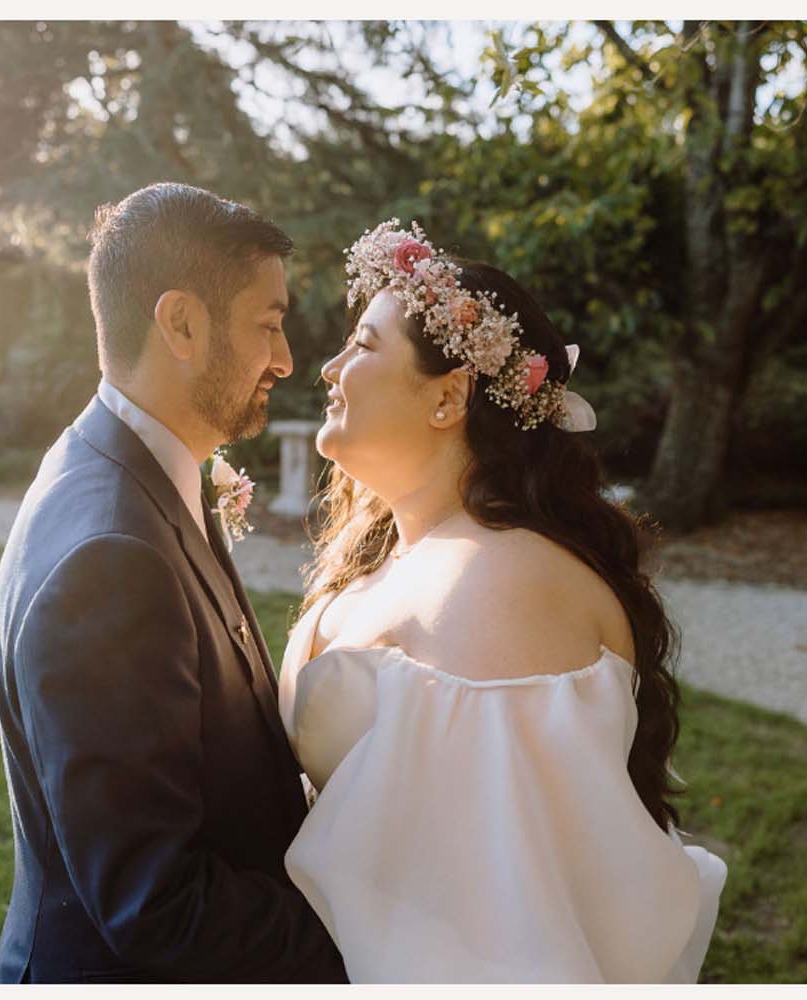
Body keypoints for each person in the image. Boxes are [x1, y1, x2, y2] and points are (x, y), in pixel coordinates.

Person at [277, 220, 728, 982]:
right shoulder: (396, 551)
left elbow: (507, 932)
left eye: (363, 344)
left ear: (450, 395)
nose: (328, 367)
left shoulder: (504, 587)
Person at [0, 183, 347, 984]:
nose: (286, 359)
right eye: (269, 323)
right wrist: (370, 946)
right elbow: (156, 905)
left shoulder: (122, 464)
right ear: (181, 323)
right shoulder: (111, 560)